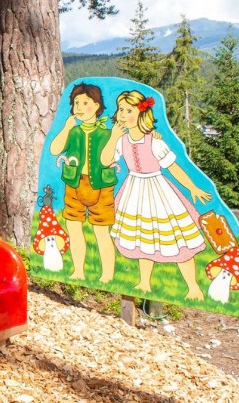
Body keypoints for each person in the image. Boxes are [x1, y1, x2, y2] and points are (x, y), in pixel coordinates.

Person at [100, 89, 208, 300]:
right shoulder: (121, 141)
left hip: (158, 190)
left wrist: (192, 187)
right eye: (120, 109)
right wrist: (113, 137)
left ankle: (193, 286)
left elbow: (173, 167)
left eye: (128, 110)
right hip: (134, 190)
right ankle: (144, 282)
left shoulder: (154, 142)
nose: (122, 114)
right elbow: (105, 160)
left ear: (141, 113)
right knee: (143, 236)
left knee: (177, 237)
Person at [48, 82, 117, 282]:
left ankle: (107, 275)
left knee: (102, 231)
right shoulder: (74, 132)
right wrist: (66, 128)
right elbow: (55, 149)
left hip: (101, 186)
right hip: (74, 183)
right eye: (76, 103)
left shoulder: (106, 133)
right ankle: (78, 270)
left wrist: (114, 138)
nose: (78, 107)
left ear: (96, 105)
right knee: (74, 227)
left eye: (84, 102)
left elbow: (109, 158)